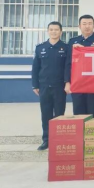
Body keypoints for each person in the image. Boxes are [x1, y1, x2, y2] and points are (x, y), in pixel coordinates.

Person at [32, 21, 70, 151]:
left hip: (59, 87)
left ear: (61, 32)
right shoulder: (40, 48)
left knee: (59, 114)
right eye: (51, 29)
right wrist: (35, 85)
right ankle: (46, 140)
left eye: (56, 29)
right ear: (48, 31)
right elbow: (35, 68)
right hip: (44, 86)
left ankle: (58, 140)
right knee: (46, 114)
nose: (54, 32)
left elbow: (68, 67)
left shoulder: (66, 48)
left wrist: (67, 82)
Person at [66, 15, 94, 118]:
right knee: (78, 112)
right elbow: (68, 63)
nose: (87, 26)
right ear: (79, 26)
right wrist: (67, 82)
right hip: (77, 82)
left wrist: (84, 50)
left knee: (93, 112)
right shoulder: (73, 41)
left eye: (90, 24)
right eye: (84, 24)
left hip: (93, 82)